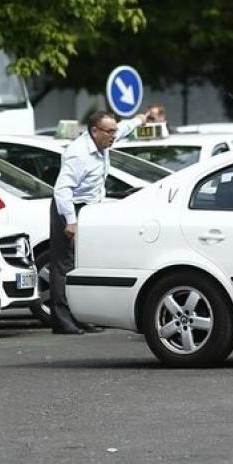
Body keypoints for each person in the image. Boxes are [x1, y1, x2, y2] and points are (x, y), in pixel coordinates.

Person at [48, 109, 151, 334]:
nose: (114, 135)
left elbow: (123, 128)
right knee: (63, 264)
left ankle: (79, 315)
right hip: (69, 208)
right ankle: (61, 320)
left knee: (81, 263)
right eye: (109, 131)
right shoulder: (79, 153)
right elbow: (62, 190)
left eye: (114, 130)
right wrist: (71, 221)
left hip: (88, 209)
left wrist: (140, 120)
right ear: (94, 131)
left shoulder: (103, 142)